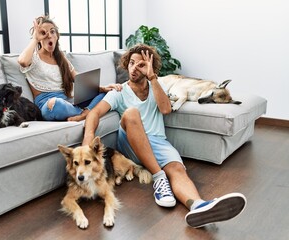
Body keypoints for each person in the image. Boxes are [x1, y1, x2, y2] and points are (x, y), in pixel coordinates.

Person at [82, 43, 247, 228]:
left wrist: (152, 78)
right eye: (131, 63)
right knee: (131, 113)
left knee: (177, 169)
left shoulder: (156, 85)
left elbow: (166, 109)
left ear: (150, 68)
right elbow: (95, 113)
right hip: (131, 144)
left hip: (158, 143)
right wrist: (87, 141)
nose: (134, 68)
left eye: (141, 65)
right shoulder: (119, 92)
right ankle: (159, 178)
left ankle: (199, 207)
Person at [18, 15, 121, 121]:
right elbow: (22, 61)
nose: (49, 36)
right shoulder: (33, 58)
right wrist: (35, 38)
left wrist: (102, 88)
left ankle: (83, 114)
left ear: (57, 36)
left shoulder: (61, 57)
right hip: (48, 105)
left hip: (68, 101)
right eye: (43, 33)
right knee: (55, 104)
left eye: (52, 32)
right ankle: (87, 112)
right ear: (39, 38)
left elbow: (78, 79)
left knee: (108, 93)